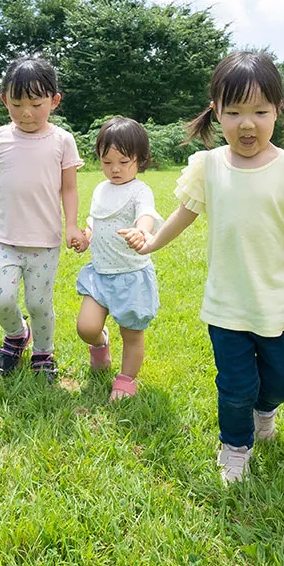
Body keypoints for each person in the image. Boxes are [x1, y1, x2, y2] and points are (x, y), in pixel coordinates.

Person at [124, 51, 284, 484]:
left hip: (277, 304)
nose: (246, 124)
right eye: (234, 111)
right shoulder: (210, 166)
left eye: (260, 111)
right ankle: (235, 445)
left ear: (278, 110)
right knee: (235, 385)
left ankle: (267, 410)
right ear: (216, 111)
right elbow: (185, 212)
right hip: (226, 304)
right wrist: (152, 243)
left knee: (281, 383)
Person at [0, 56, 89, 383]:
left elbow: (68, 188)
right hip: (4, 237)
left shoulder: (62, 140)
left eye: (36, 104)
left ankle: (43, 352)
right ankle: (15, 335)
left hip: (45, 240)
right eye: (16, 103)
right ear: (4, 100)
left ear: (54, 101)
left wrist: (71, 224)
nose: (26, 112)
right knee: (0, 300)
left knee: (39, 304)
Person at [71, 117, 162, 401]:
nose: (115, 169)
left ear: (140, 159)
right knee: (86, 327)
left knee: (132, 334)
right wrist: (86, 236)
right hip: (100, 273)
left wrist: (141, 231)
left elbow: (146, 213)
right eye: (107, 162)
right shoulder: (101, 189)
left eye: (123, 161)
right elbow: (95, 220)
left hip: (130, 276)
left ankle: (125, 379)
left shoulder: (139, 191)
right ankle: (100, 345)